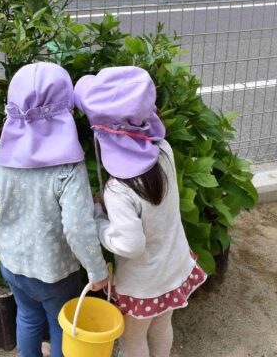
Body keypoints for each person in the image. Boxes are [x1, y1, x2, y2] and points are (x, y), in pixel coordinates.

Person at [0, 62, 109, 357]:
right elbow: (78, 226)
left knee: (27, 317)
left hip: (13, 262)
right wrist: (97, 270)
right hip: (56, 270)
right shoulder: (68, 166)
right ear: (66, 113)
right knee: (61, 326)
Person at [74, 66, 207, 357]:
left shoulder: (119, 189)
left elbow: (130, 244)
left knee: (132, 339)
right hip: (172, 267)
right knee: (161, 326)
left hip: (141, 283)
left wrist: (99, 222)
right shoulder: (164, 151)